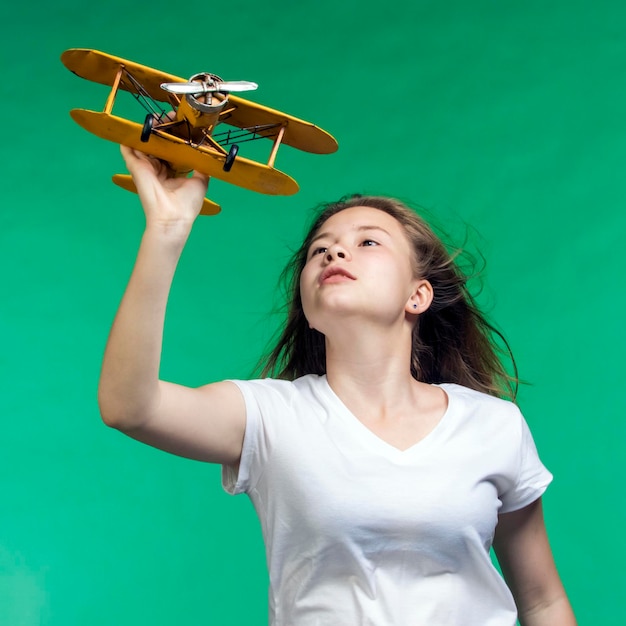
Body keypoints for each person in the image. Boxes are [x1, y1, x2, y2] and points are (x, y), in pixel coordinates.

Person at [98, 145, 576, 626]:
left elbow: (542, 602)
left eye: (369, 242)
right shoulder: (270, 417)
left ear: (418, 294)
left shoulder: (493, 425)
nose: (335, 252)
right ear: (307, 300)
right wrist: (167, 230)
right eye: (318, 250)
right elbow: (129, 407)